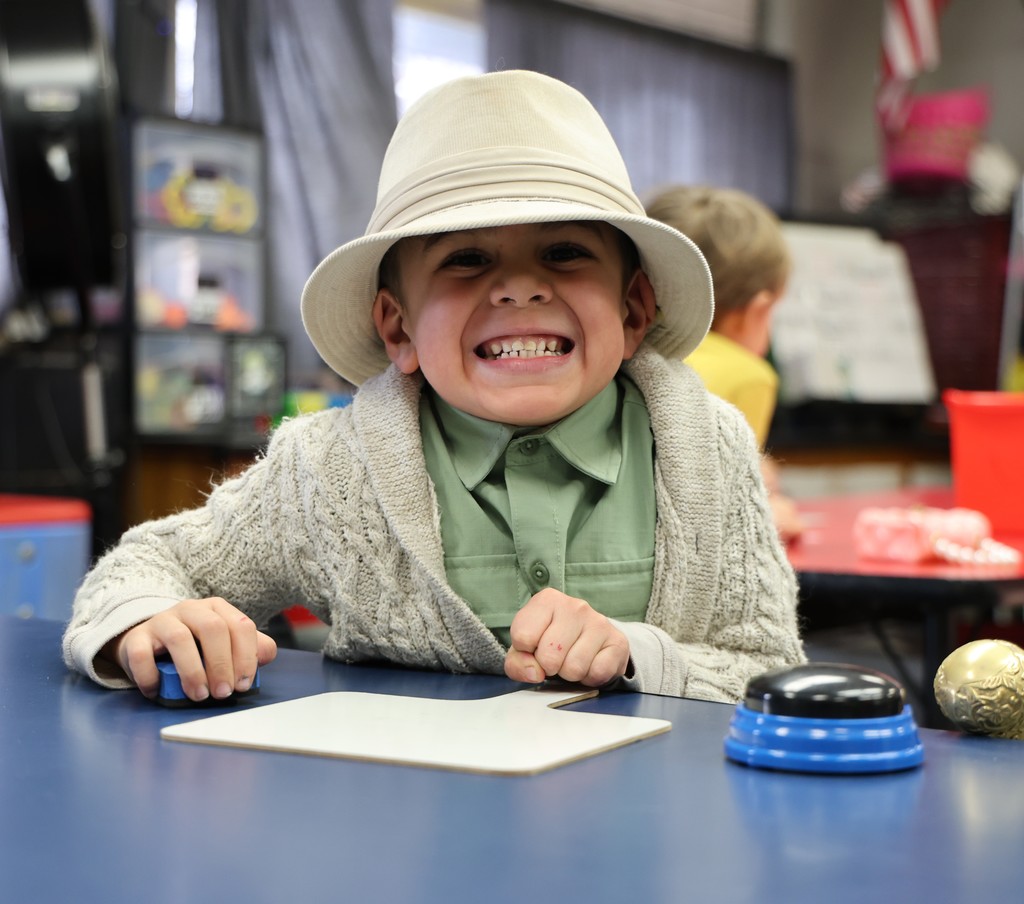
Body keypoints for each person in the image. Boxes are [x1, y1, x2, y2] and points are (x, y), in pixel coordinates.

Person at [63, 70, 804, 706]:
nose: (518, 287)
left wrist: (636, 654)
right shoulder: (327, 471)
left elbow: (769, 670)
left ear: (635, 309)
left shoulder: (708, 450)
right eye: (467, 259)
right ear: (398, 330)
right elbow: (146, 565)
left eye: (565, 250)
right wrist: (151, 620)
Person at [645, 185, 805, 542]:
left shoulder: (626, 356)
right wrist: (768, 511)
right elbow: (727, 507)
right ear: (758, 309)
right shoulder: (749, 376)